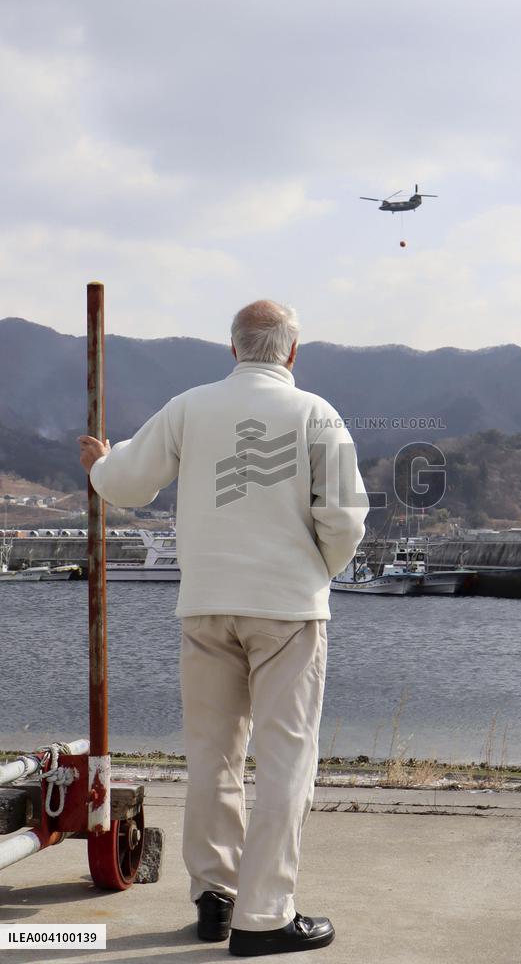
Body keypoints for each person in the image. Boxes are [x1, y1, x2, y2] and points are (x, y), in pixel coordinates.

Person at [78, 300, 368, 957]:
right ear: (292, 353)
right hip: (287, 610)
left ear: (232, 349)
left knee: (212, 756)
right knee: (285, 760)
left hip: (205, 604)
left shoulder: (189, 406)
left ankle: (215, 900)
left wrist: (99, 463)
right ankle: (264, 918)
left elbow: (125, 482)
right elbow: (346, 518)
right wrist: (312, 571)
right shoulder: (316, 414)